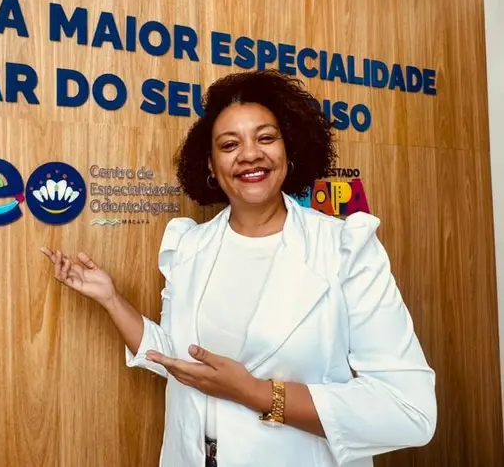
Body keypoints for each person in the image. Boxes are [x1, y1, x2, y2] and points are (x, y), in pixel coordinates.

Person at [40, 70, 437, 467]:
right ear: (211, 166)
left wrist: (255, 393)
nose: (249, 154)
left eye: (266, 138)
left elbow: (408, 411)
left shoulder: (345, 249)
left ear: (289, 150)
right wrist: (111, 299)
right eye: (230, 144)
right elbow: (182, 361)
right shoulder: (189, 245)